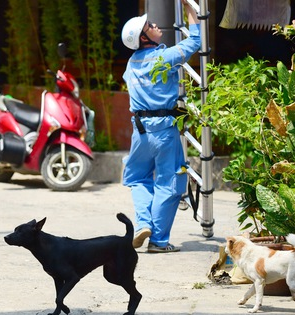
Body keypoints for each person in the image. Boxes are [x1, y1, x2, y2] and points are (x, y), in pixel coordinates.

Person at [120, 0, 200, 253]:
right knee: (169, 183)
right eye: (150, 25)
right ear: (144, 38)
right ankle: (158, 241)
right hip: (164, 130)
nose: (155, 25)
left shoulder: (130, 64)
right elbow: (194, 42)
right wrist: (190, 10)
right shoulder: (164, 57)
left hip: (140, 132)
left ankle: (143, 222)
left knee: (137, 177)